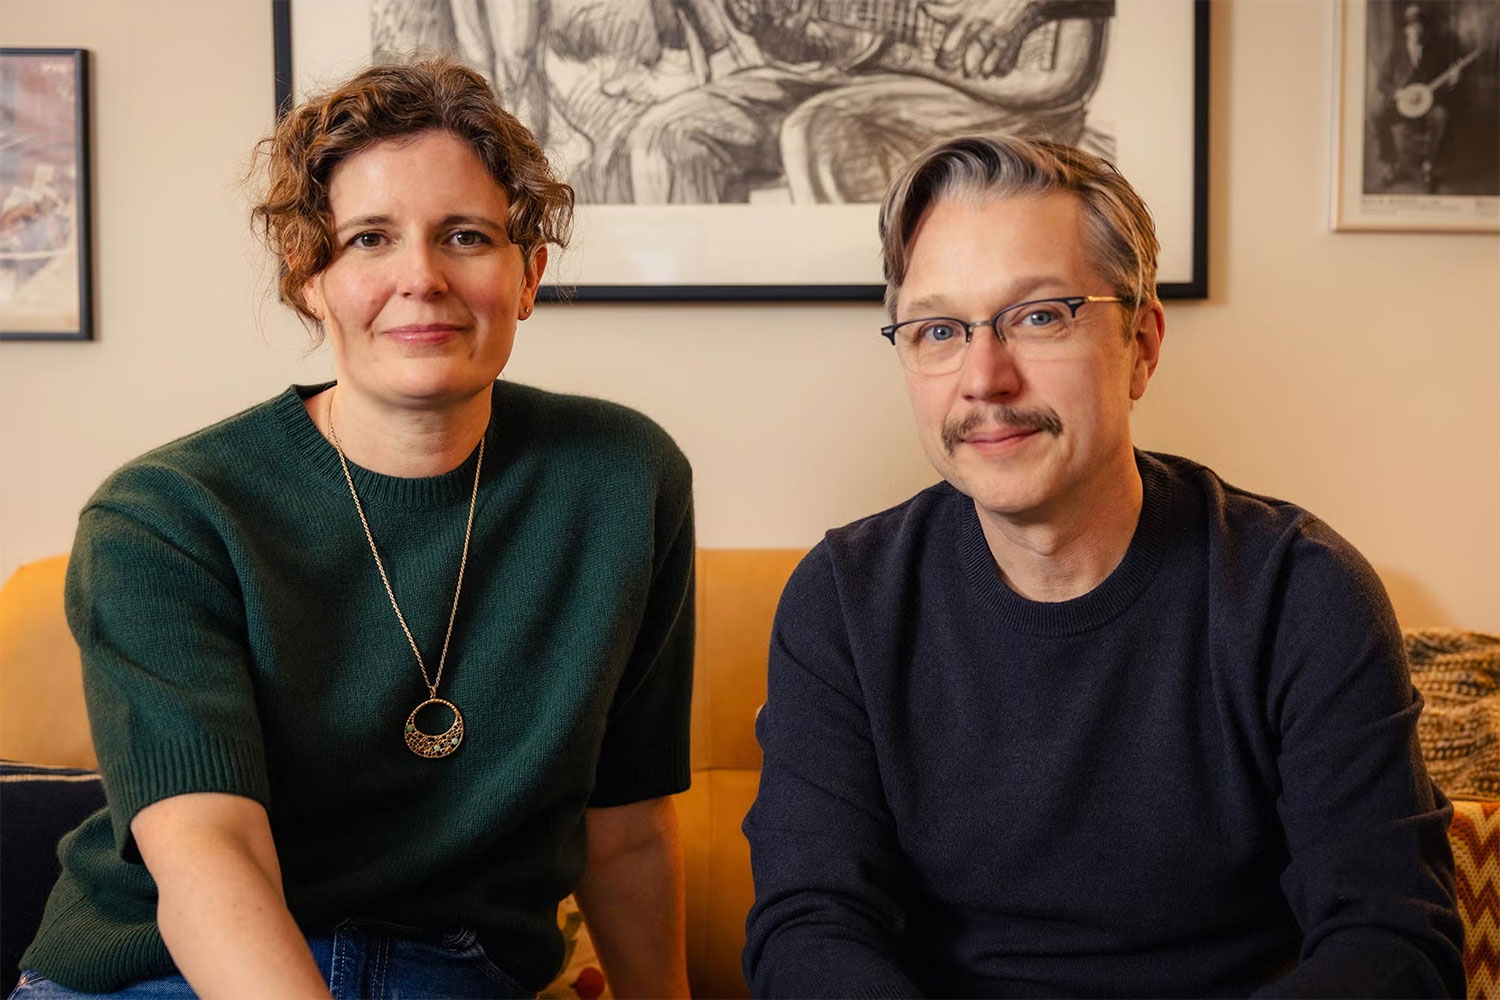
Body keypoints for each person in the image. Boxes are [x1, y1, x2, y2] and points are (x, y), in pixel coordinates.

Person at [14, 58, 694, 999]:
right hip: (170, 973)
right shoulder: (163, 514)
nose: (422, 278)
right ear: (309, 279)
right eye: (370, 238)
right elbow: (209, 850)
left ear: (528, 275)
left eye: (465, 236)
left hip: (452, 970)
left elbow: (626, 826)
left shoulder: (624, 480)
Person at [742, 134, 1463, 996]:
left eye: (1039, 316)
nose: (984, 378)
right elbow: (810, 927)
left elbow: (1393, 940)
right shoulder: (843, 599)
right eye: (938, 330)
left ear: (1142, 346)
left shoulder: (1299, 591)